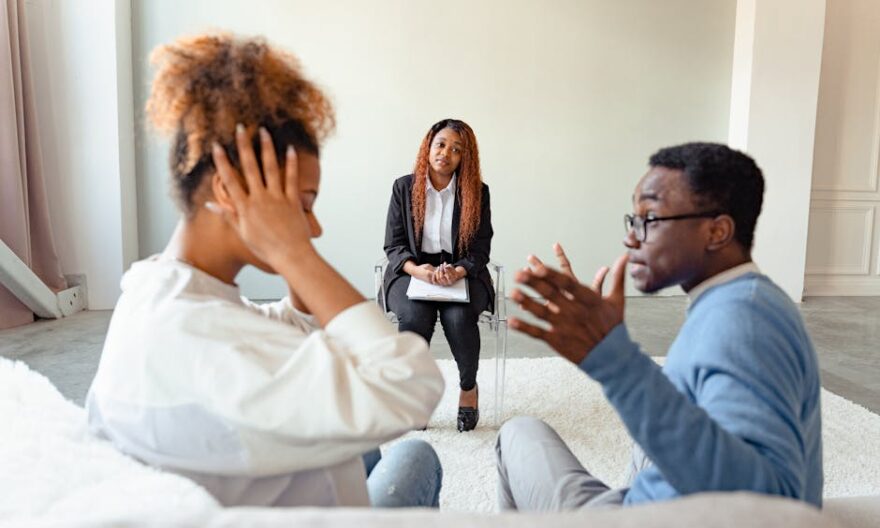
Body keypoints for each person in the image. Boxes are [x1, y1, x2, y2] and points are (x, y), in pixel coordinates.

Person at [85, 33, 445, 509]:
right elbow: (410, 382)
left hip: (252, 462)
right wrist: (293, 253)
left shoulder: (158, 286)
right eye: (304, 206)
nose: (313, 228)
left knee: (369, 451)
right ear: (230, 191)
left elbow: (279, 333)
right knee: (416, 456)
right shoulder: (197, 337)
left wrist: (290, 252)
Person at [496, 142, 823, 510]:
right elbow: (696, 393)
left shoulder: (743, 321)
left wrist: (614, 360)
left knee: (516, 433)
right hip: (658, 501)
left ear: (717, 232)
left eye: (650, 218)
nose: (631, 237)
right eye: (633, 219)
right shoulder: (741, 299)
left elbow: (764, 502)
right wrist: (609, 340)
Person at [383, 119, 494, 432]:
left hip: (462, 270)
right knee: (414, 316)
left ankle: (468, 389)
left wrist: (458, 270)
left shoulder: (478, 193)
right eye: (441, 144)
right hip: (411, 269)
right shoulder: (404, 187)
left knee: (459, 319)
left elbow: (481, 248)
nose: (446, 153)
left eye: (456, 149)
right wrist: (419, 270)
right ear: (428, 147)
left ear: (465, 158)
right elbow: (394, 245)